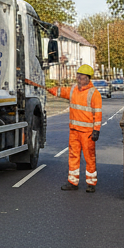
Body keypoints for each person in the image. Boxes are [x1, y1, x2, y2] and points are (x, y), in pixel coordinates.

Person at [24, 64, 103, 192]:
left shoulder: (94, 94)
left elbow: (98, 114)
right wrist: (51, 89)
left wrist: (96, 130)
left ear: (88, 78)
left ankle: (91, 183)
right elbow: (61, 91)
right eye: (78, 77)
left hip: (87, 132)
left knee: (89, 157)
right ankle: (72, 182)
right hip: (74, 131)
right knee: (73, 156)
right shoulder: (73, 90)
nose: (79, 79)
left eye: (82, 77)